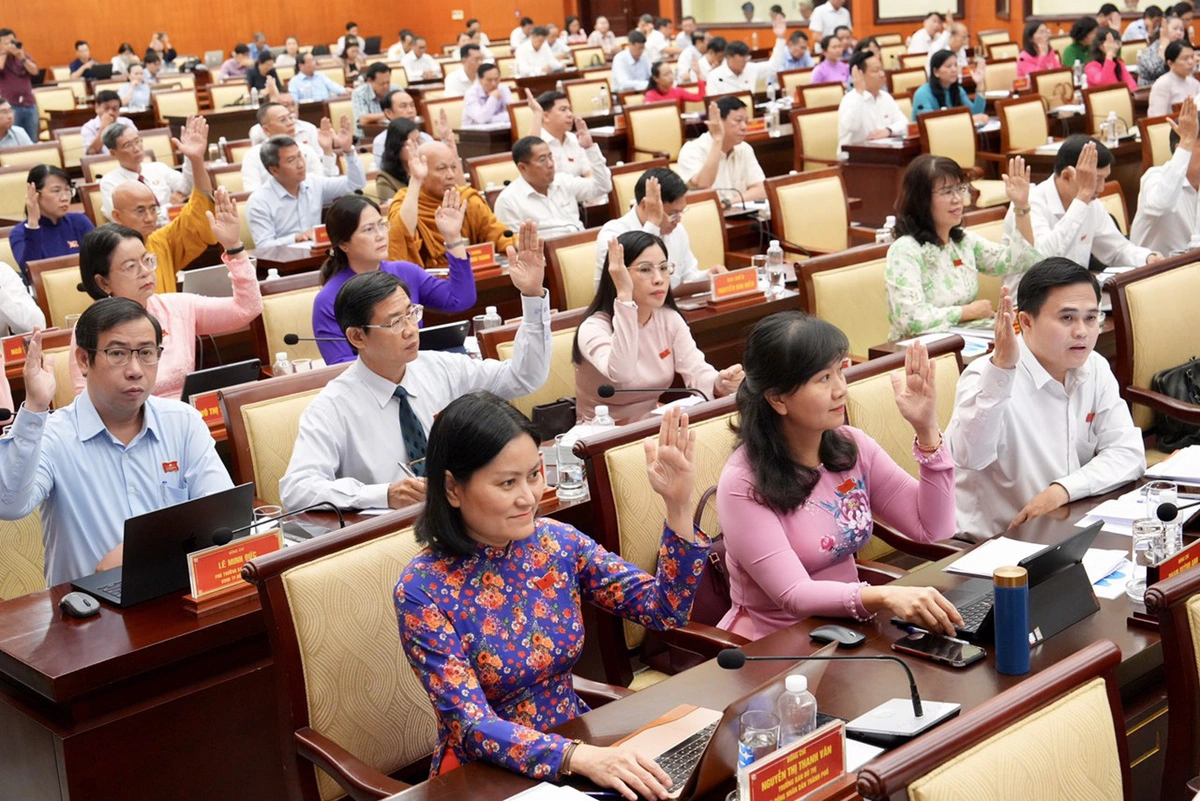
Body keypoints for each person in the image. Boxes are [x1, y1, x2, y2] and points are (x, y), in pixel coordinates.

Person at [397, 395, 706, 794]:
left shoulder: (556, 543)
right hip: (485, 776)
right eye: (507, 483)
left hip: (576, 744)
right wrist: (577, 756)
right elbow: (471, 726)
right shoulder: (422, 589)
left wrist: (677, 505)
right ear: (452, 488)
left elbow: (665, 612)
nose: (529, 497)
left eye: (534, 474)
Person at [716, 313, 961, 639]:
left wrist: (927, 430)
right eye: (823, 379)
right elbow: (793, 595)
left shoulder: (851, 446)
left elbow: (933, 528)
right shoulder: (743, 483)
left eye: (840, 372)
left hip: (850, 630)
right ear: (777, 398)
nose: (841, 390)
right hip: (772, 646)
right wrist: (885, 595)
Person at [281, 224, 550, 510]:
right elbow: (297, 489)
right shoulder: (333, 406)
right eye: (396, 322)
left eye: (412, 314)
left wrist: (533, 296)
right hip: (393, 536)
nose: (411, 330)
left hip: (461, 517)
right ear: (358, 336)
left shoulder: (439, 367)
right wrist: (383, 494)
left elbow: (523, 377)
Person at [0, 300, 234, 586]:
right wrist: (35, 408)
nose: (135, 369)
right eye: (118, 354)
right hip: (89, 614)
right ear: (85, 360)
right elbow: (10, 505)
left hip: (177, 596)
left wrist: (141, 551)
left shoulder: (183, 422)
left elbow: (223, 516)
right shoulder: (53, 435)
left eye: (147, 353)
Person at [947, 262, 1146, 541]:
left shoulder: (1095, 367)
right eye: (1067, 319)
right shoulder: (986, 377)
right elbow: (969, 457)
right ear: (1026, 321)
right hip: (994, 545)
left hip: (1067, 528)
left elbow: (1128, 453)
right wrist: (1001, 371)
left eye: (1091, 318)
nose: (1082, 332)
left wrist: (1061, 490)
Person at [69, 191, 262, 401]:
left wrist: (234, 247)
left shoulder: (176, 306)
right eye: (130, 266)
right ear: (103, 282)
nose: (145, 271)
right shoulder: (90, 327)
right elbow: (85, 398)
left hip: (187, 418)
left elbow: (247, 308)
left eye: (147, 260)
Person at [574, 233, 743, 424]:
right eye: (645, 270)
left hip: (653, 427)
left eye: (663, 268)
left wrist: (719, 382)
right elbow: (622, 373)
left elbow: (696, 370)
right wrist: (624, 295)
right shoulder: (594, 328)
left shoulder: (669, 319)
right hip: (600, 436)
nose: (658, 279)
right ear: (618, 276)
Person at [887, 154, 1041, 338]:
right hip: (917, 351)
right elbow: (910, 319)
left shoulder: (963, 242)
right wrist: (967, 312)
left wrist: (1021, 205)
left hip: (963, 339)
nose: (957, 199)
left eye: (960, 189)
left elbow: (1022, 261)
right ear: (921, 199)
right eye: (946, 191)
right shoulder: (905, 250)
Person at [312, 195, 476, 365]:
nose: (380, 235)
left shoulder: (405, 271)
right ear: (343, 244)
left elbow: (460, 300)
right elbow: (340, 364)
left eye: (381, 225)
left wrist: (453, 237)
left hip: (420, 372)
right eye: (368, 229)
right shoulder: (328, 300)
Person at [1002, 136, 1157, 282]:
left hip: (1077, 299)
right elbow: (1043, 261)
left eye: (1104, 178)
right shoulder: (1028, 204)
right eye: (1095, 179)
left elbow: (1117, 250)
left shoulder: (1090, 203)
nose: (1101, 187)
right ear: (1067, 176)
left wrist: (1148, 259)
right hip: (1029, 302)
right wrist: (1082, 198)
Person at [103, 116, 217, 294]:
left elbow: (198, 208)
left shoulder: (162, 241)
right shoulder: (108, 255)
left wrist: (195, 160)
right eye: (140, 211)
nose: (149, 218)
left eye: (153, 209)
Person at [389, 142, 512, 267]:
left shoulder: (466, 199)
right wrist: (416, 180)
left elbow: (498, 235)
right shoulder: (406, 202)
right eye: (442, 169)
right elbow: (401, 238)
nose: (451, 175)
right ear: (422, 173)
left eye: (453, 167)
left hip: (472, 273)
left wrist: (517, 245)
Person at [247, 119, 366, 248]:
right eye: (291, 160)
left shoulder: (313, 182)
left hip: (319, 255)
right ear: (274, 170)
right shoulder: (259, 200)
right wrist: (295, 238)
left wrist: (348, 150)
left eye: (300, 156)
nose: (300, 164)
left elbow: (355, 183)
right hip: (285, 263)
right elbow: (264, 246)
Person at [594, 170, 720, 289]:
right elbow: (631, 287)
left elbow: (687, 277)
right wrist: (653, 223)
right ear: (645, 205)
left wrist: (708, 276)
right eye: (672, 214)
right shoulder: (612, 235)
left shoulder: (677, 230)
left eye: (680, 213)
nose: (678, 220)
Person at [494, 136, 612, 235]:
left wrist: (590, 148)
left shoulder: (563, 181)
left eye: (550, 157)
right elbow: (513, 245)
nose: (550, 164)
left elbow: (603, 186)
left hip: (580, 248)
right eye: (542, 160)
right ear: (523, 167)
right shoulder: (508, 200)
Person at [1131, 95, 1200, 252]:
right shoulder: (1154, 177)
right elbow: (1161, 204)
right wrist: (1187, 141)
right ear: (1180, 149)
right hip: (1154, 273)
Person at [10, 165, 94, 286]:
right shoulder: (20, 233)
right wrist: (33, 223)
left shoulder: (79, 221)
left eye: (68, 190)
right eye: (56, 191)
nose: (65, 198)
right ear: (35, 194)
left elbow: (99, 260)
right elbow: (30, 273)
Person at [99, 123, 193, 224]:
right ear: (113, 153)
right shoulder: (110, 182)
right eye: (128, 145)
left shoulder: (158, 168)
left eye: (137, 141)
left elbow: (185, 189)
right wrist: (169, 206)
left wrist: (190, 156)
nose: (136, 148)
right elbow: (128, 222)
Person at [676, 97, 766, 200]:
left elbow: (762, 189)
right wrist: (718, 139)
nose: (744, 127)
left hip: (739, 211)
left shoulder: (745, 149)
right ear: (718, 121)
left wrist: (730, 203)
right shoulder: (692, 150)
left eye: (746, 121)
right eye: (738, 121)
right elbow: (703, 184)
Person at [241, 104, 340, 192]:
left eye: (290, 118)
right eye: (283, 120)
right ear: (266, 130)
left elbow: (323, 184)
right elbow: (252, 192)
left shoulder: (305, 149)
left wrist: (327, 150)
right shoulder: (253, 156)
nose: (290, 123)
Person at [837, 51, 907, 154]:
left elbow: (904, 123)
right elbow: (851, 127)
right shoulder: (850, 99)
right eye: (876, 70)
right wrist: (859, 93)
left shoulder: (885, 97)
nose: (882, 74)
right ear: (859, 74)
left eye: (882, 69)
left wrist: (888, 131)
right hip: (855, 160)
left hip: (883, 154)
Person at [912, 50, 987, 122]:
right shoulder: (922, 94)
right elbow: (929, 123)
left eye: (955, 65)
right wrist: (969, 120)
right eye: (948, 66)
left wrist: (980, 84)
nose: (954, 69)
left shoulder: (958, 90)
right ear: (936, 72)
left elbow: (976, 114)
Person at [373, 90, 432, 167]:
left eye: (412, 105)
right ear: (389, 113)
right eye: (403, 106)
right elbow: (386, 172)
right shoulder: (381, 142)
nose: (410, 110)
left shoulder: (426, 138)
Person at [0, 30, 40, 142]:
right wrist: (4, 53)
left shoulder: (22, 55)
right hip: (10, 107)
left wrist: (22, 58)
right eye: (7, 43)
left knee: (32, 140)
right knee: (12, 140)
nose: (11, 45)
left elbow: (35, 71)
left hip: (29, 105)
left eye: (13, 41)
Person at [376, 117, 423, 198]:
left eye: (418, 140)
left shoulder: (428, 168)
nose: (417, 146)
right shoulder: (385, 179)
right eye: (410, 143)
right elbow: (393, 209)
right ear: (396, 147)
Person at [1149, 39, 1200, 114]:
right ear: (1170, 63)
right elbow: (1156, 118)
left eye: (1192, 57)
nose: (1191, 62)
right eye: (1185, 58)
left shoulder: (1195, 83)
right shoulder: (1162, 85)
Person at [82, 91, 137, 156]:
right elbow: (92, 152)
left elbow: (137, 144)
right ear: (97, 107)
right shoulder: (88, 127)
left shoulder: (126, 123)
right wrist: (104, 127)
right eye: (106, 108)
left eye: (115, 109)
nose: (111, 112)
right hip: (103, 163)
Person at [1139, 14, 1186, 85]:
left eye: (1182, 30)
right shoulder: (1152, 50)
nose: (1179, 33)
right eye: (1175, 29)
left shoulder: (1181, 49)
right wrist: (1164, 44)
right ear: (1163, 30)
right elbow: (1158, 71)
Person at [350, 62, 394, 138]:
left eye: (388, 82)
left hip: (392, 135)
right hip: (366, 137)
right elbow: (363, 118)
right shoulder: (359, 93)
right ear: (370, 81)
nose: (386, 86)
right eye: (382, 84)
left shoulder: (396, 89)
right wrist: (391, 114)